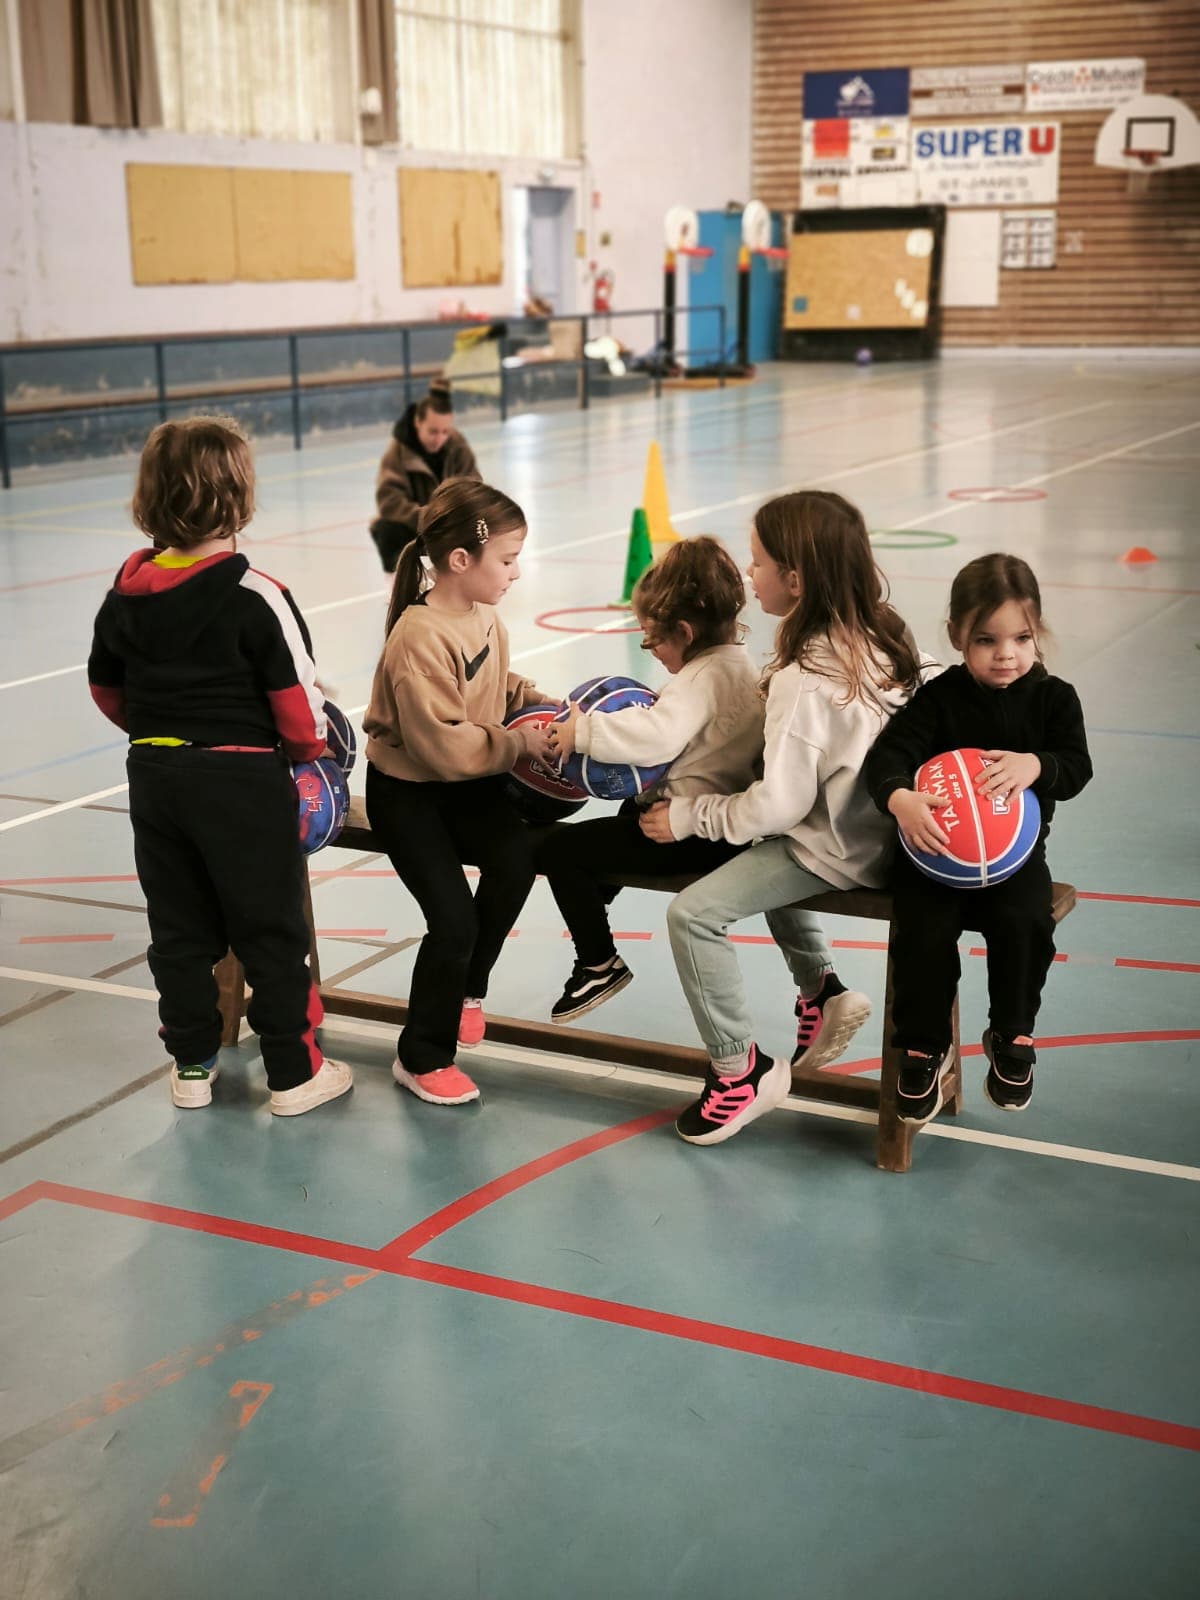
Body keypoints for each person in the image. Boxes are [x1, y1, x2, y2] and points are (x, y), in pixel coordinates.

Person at [640, 490, 926, 1147]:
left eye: (759, 562)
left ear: (795, 579)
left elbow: (780, 806)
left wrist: (689, 814)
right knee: (757, 849)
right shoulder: (884, 629)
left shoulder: (805, 676)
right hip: (889, 830)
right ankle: (821, 989)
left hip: (844, 847)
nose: (751, 574)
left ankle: (738, 1071)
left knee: (694, 913)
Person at [86, 416, 352, 1117]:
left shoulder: (124, 596)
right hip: (242, 785)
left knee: (178, 927)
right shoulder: (256, 593)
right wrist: (314, 754)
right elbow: (298, 707)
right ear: (239, 499)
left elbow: (106, 691)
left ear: (150, 499)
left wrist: (162, 735)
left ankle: (192, 1066)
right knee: (270, 929)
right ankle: (294, 1074)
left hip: (155, 777)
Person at [865, 553, 1092, 1121]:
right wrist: (900, 798)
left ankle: (1012, 1033)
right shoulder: (940, 697)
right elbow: (889, 756)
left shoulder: (1055, 699)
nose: (1005, 654)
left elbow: (1076, 767)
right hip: (934, 856)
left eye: (1021, 638)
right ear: (956, 637)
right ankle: (923, 1044)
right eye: (986, 640)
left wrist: (1037, 765)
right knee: (922, 929)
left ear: (1037, 633)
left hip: (1016, 861)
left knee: (1026, 921)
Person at [362, 477, 560, 1107]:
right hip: (410, 792)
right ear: (459, 561)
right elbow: (443, 747)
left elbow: (493, 683)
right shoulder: (418, 636)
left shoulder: (483, 616)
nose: (516, 572)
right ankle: (422, 1056)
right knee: (452, 922)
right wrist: (518, 744)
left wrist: (541, 704)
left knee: (516, 860)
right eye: (507, 559)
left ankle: (467, 989)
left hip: (467, 784)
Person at [540, 536, 764, 1022]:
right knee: (623, 816)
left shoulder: (700, 680)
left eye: (650, 639)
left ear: (683, 631)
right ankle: (593, 901)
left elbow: (656, 737)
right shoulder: (740, 665)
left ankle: (598, 963)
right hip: (717, 824)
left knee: (560, 851)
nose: (652, 652)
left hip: (689, 835)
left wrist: (582, 732)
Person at [370, 380, 480, 572]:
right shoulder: (397, 451)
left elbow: (473, 486)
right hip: (413, 525)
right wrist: (427, 516)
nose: (439, 438)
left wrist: (453, 515)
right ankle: (399, 582)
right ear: (418, 422)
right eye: (433, 432)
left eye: (445, 431)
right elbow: (389, 500)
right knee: (386, 529)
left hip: (448, 524)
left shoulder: (458, 445)